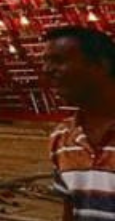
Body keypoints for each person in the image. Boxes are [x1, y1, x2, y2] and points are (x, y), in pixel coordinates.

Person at [42, 26, 115, 221]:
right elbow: (70, 211)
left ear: (101, 65)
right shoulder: (62, 138)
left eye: (58, 61)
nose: (47, 70)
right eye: (46, 62)